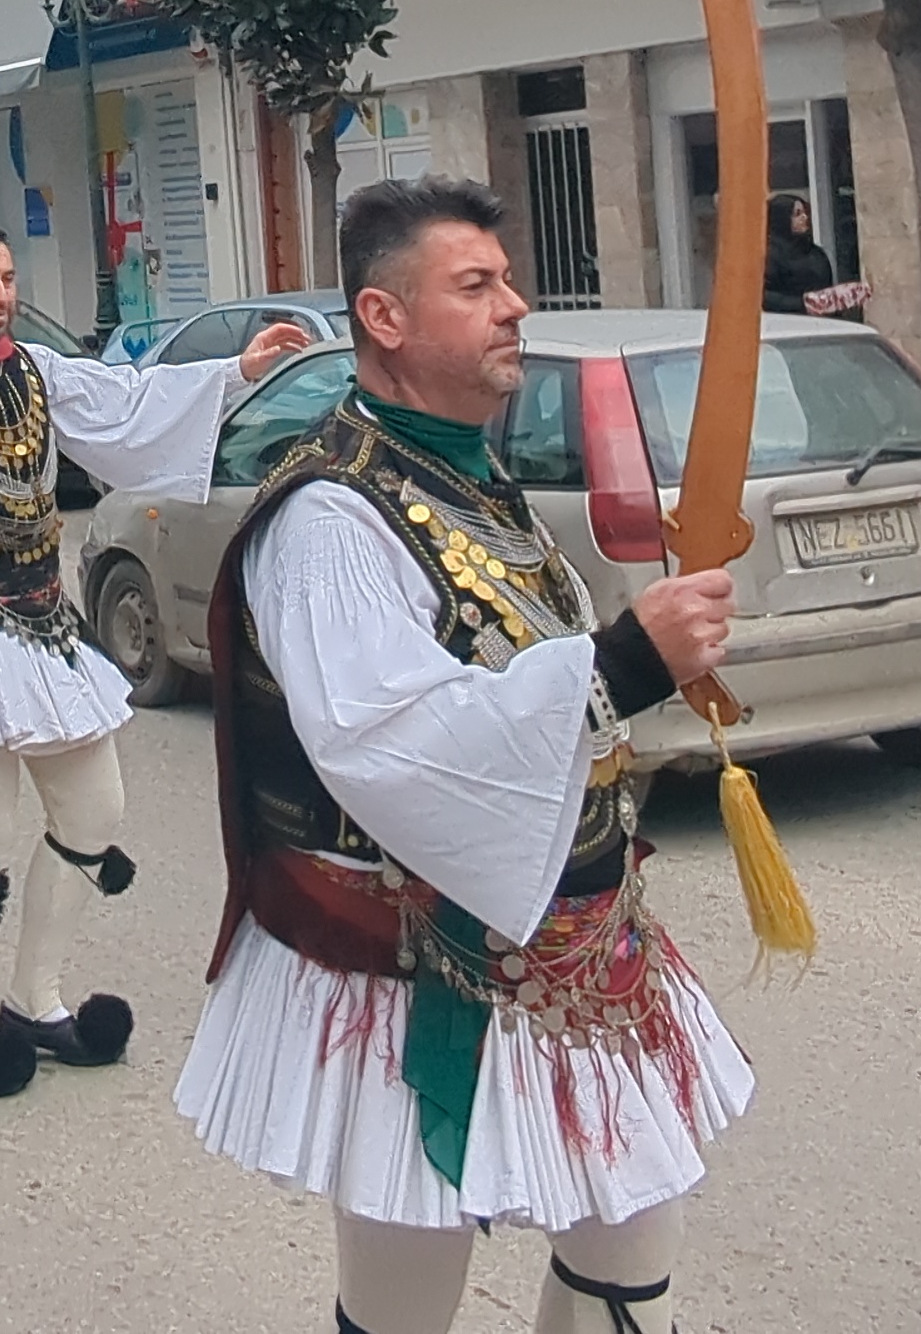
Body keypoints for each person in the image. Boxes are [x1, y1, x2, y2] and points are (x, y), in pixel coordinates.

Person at [177, 177, 749, 1334]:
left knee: (633, 1241)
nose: (515, 307)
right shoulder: (331, 517)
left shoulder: (466, 477)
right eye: (476, 285)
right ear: (385, 318)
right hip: (407, 961)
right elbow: (382, 736)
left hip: (579, 934)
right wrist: (621, 664)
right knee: (406, 1293)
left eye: (508, 282)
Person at [0, 226, 309, 1097]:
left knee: (94, 812)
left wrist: (234, 373)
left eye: (6, 276)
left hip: (44, 623)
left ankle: (35, 999)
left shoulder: (36, 370)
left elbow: (125, 404)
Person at [759, 191, 840, 315]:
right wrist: (802, 303)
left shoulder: (816, 253)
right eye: (797, 214)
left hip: (821, 321)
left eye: (804, 212)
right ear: (782, 219)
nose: (804, 217)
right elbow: (763, 296)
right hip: (786, 321)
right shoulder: (769, 255)